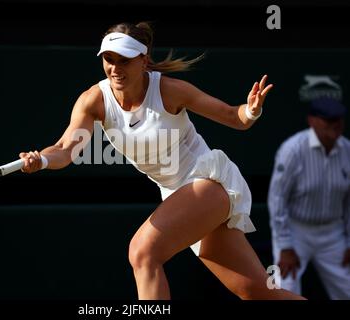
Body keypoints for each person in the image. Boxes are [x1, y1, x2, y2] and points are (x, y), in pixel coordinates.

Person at [20, 22, 304, 300]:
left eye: (125, 60)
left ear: (143, 61)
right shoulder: (93, 100)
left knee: (142, 253)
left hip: (208, 181)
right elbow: (66, 148)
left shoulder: (170, 90)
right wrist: (42, 160)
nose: (115, 69)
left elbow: (234, 117)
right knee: (257, 292)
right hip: (179, 197)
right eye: (109, 59)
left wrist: (251, 111)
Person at [268, 96, 350, 299]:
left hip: (334, 232)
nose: (335, 125)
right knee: (283, 286)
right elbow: (277, 199)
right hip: (296, 231)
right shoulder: (293, 149)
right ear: (312, 120)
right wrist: (285, 246)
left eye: (338, 119)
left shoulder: (347, 149)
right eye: (328, 119)